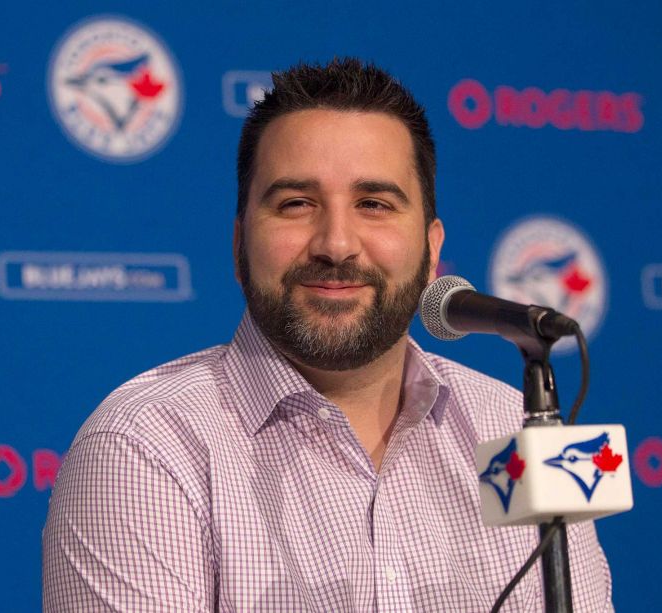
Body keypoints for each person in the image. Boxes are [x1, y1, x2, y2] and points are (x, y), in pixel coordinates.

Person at [42, 58, 612, 612]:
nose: (336, 243)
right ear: (239, 245)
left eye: (374, 204)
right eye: (296, 204)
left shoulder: (518, 428)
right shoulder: (146, 445)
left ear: (433, 249)